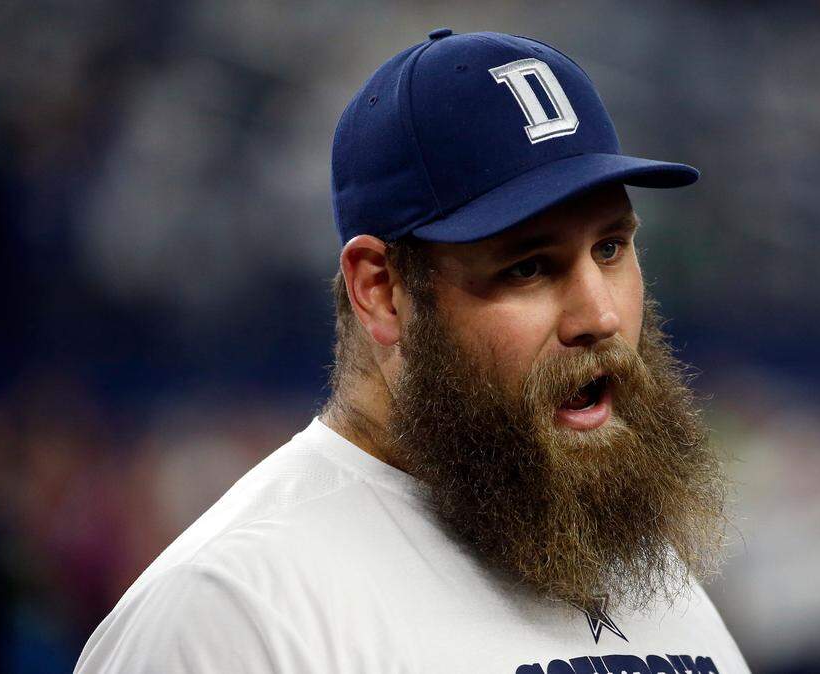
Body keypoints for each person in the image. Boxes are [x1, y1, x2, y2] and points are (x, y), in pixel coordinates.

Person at [75, 29, 749, 674]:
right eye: (529, 268)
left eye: (610, 248)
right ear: (381, 290)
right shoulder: (232, 612)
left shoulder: (637, 568)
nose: (599, 315)